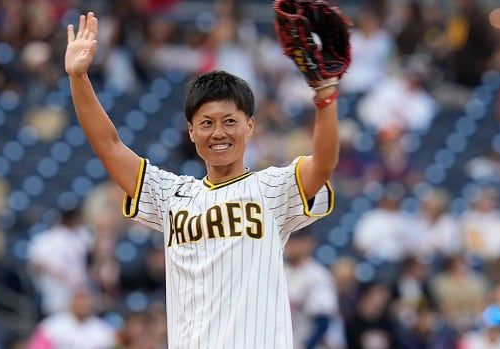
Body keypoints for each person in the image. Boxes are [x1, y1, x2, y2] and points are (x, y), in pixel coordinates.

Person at [65, 11, 340, 349]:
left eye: (229, 121)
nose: (219, 132)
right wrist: (79, 77)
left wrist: (325, 97)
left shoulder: (272, 188)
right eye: (207, 123)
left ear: (250, 126)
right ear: (191, 132)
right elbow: (108, 146)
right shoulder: (171, 195)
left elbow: (324, 163)